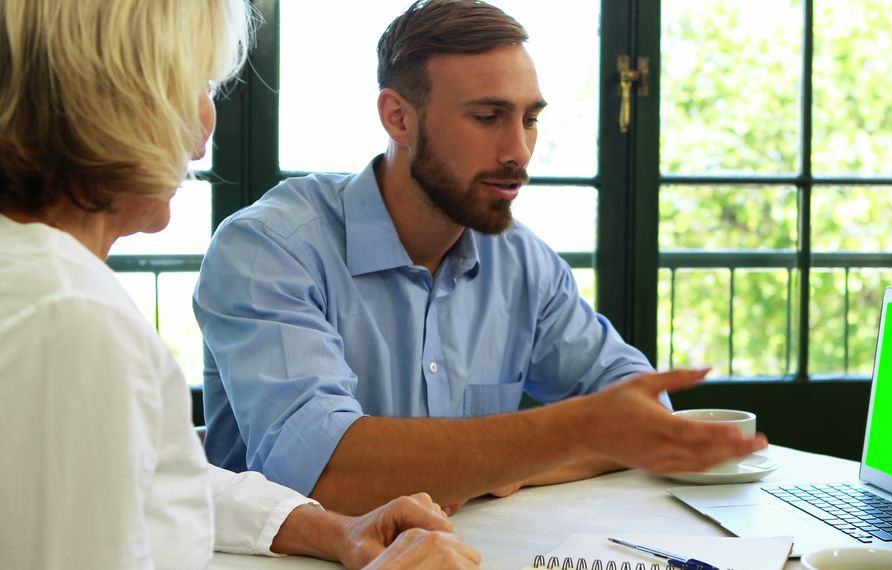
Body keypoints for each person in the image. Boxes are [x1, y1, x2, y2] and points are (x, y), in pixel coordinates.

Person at [194, 0, 768, 516]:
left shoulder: (521, 261)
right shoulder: (269, 249)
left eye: (530, 118)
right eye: (487, 117)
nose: (518, 151)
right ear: (398, 118)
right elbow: (327, 475)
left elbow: (641, 408)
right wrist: (561, 438)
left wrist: (503, 469)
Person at [0, 0, 481, 568]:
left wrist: (336, 531)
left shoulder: (43, 284)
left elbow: (151, 476)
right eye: (199, 83)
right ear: (118, 96)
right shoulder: (70, 316)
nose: (209, 118)